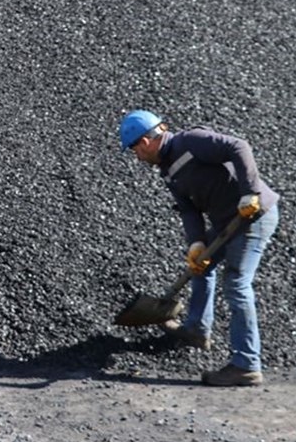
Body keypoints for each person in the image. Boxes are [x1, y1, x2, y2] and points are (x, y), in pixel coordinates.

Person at [118, 109, 280, 386]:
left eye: (135, 151)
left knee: (237, 284)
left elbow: (238, 146)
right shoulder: (168, 171)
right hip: (225, 221)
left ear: (144, 143)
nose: (137, 157)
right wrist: (196, 243)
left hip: (253, 216)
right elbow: (188, 210)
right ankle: (196, 328)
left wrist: (249, 192)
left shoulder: (190, 141)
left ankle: (246, 365)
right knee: (200, 267)